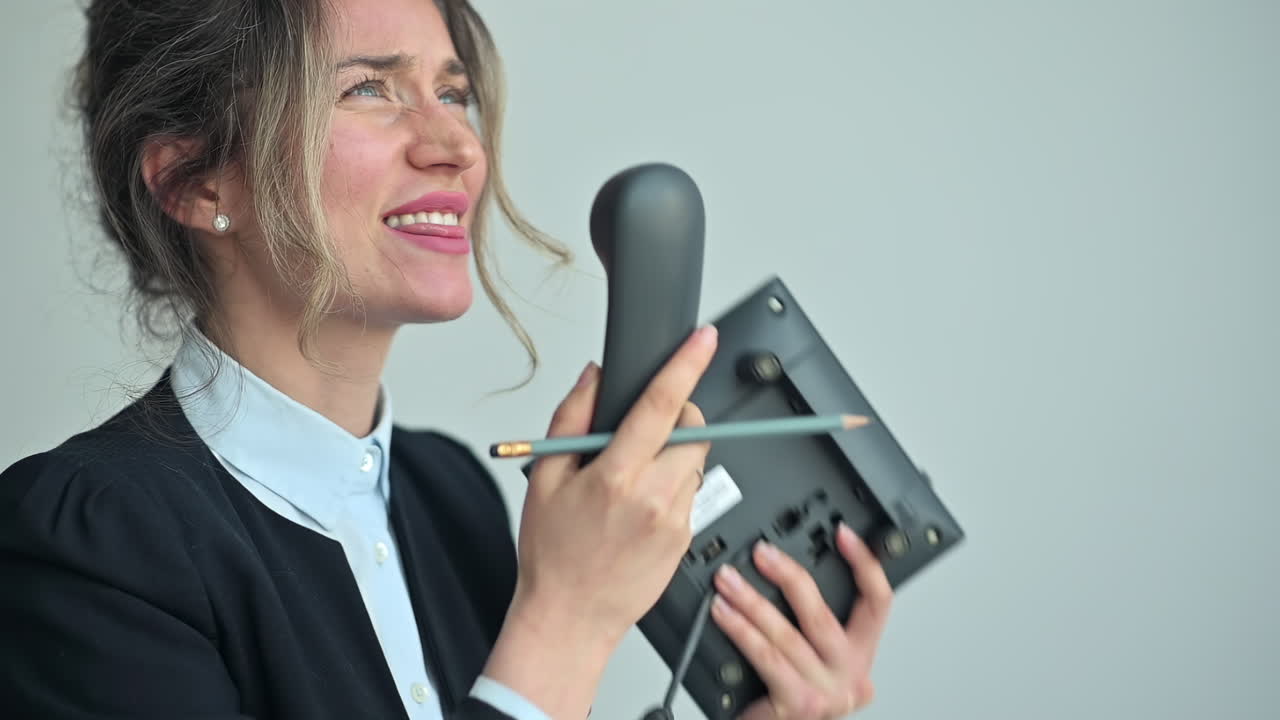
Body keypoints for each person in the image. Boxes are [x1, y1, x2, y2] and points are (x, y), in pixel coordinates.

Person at [0, 0, 895, 718]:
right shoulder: (85, 545)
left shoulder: (452, 495)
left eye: (454, 92)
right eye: (369, 90)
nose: (458, 146)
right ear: (195, 182)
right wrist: (566, 622)